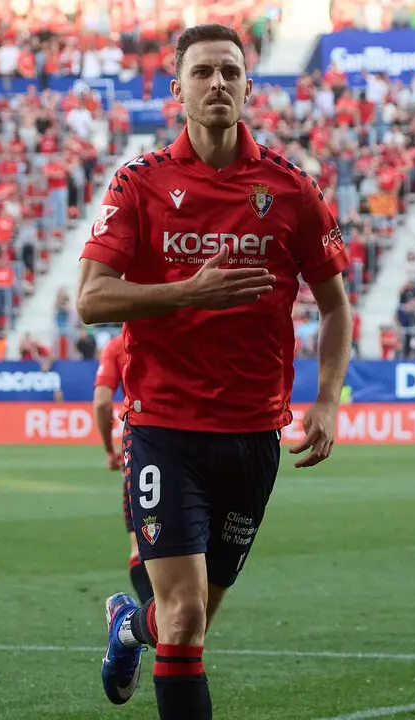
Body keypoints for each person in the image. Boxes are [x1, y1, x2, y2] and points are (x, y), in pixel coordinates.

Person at [76, 23, 353, 719]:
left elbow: (335, 305)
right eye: (202, 72)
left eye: (230, 71)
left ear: (249, 87)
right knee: (186, 613)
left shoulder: (290, 188)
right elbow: (90, 299)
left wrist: (327, 401)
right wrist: (187, 292)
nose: (218, 82)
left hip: (255, 434)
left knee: (190, 618)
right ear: (178, 90)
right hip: (164, 428)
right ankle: (144, 625)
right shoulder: (139, 182)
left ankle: (127, 625)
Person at [93, 332, 153, 604]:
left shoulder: (118, 346)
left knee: (142, 544)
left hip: (143, 442)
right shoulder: (182, 332)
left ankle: (155, 617)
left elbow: (102, 402)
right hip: (198, 438)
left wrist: (109, 450)